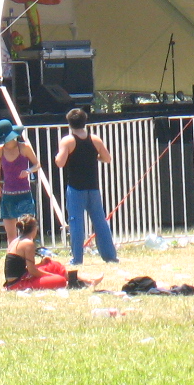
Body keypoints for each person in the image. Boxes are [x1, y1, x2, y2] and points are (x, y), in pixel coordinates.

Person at [55, 108, 119, 271]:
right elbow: (107, 158)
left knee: (76, 222)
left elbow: (60, 162)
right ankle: (110, 255)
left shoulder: (68, 141)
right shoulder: (95, 139)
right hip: (93, 187)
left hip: (76, 188)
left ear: (69, 123)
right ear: (85, 121)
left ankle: (77, 258)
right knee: (100, 222)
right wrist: (93, 157)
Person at [0, 118, 39, 246]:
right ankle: (12, 258)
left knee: (27, 234)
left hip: (24, 194)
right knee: (11, 237)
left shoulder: (24, 147)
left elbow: (37, 164)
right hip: (8, 195)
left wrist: (28, 171)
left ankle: (27, 257)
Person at [3, 215, 68, 291]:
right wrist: (51, 275)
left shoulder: (15, 241)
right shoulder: (28, 243)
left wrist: (42, 264)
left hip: (19, 278)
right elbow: (32, 271)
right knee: (61, 280)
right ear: (34, 229)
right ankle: (69, 278)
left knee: (52, 264)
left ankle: (73, 277)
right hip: (18, 283)